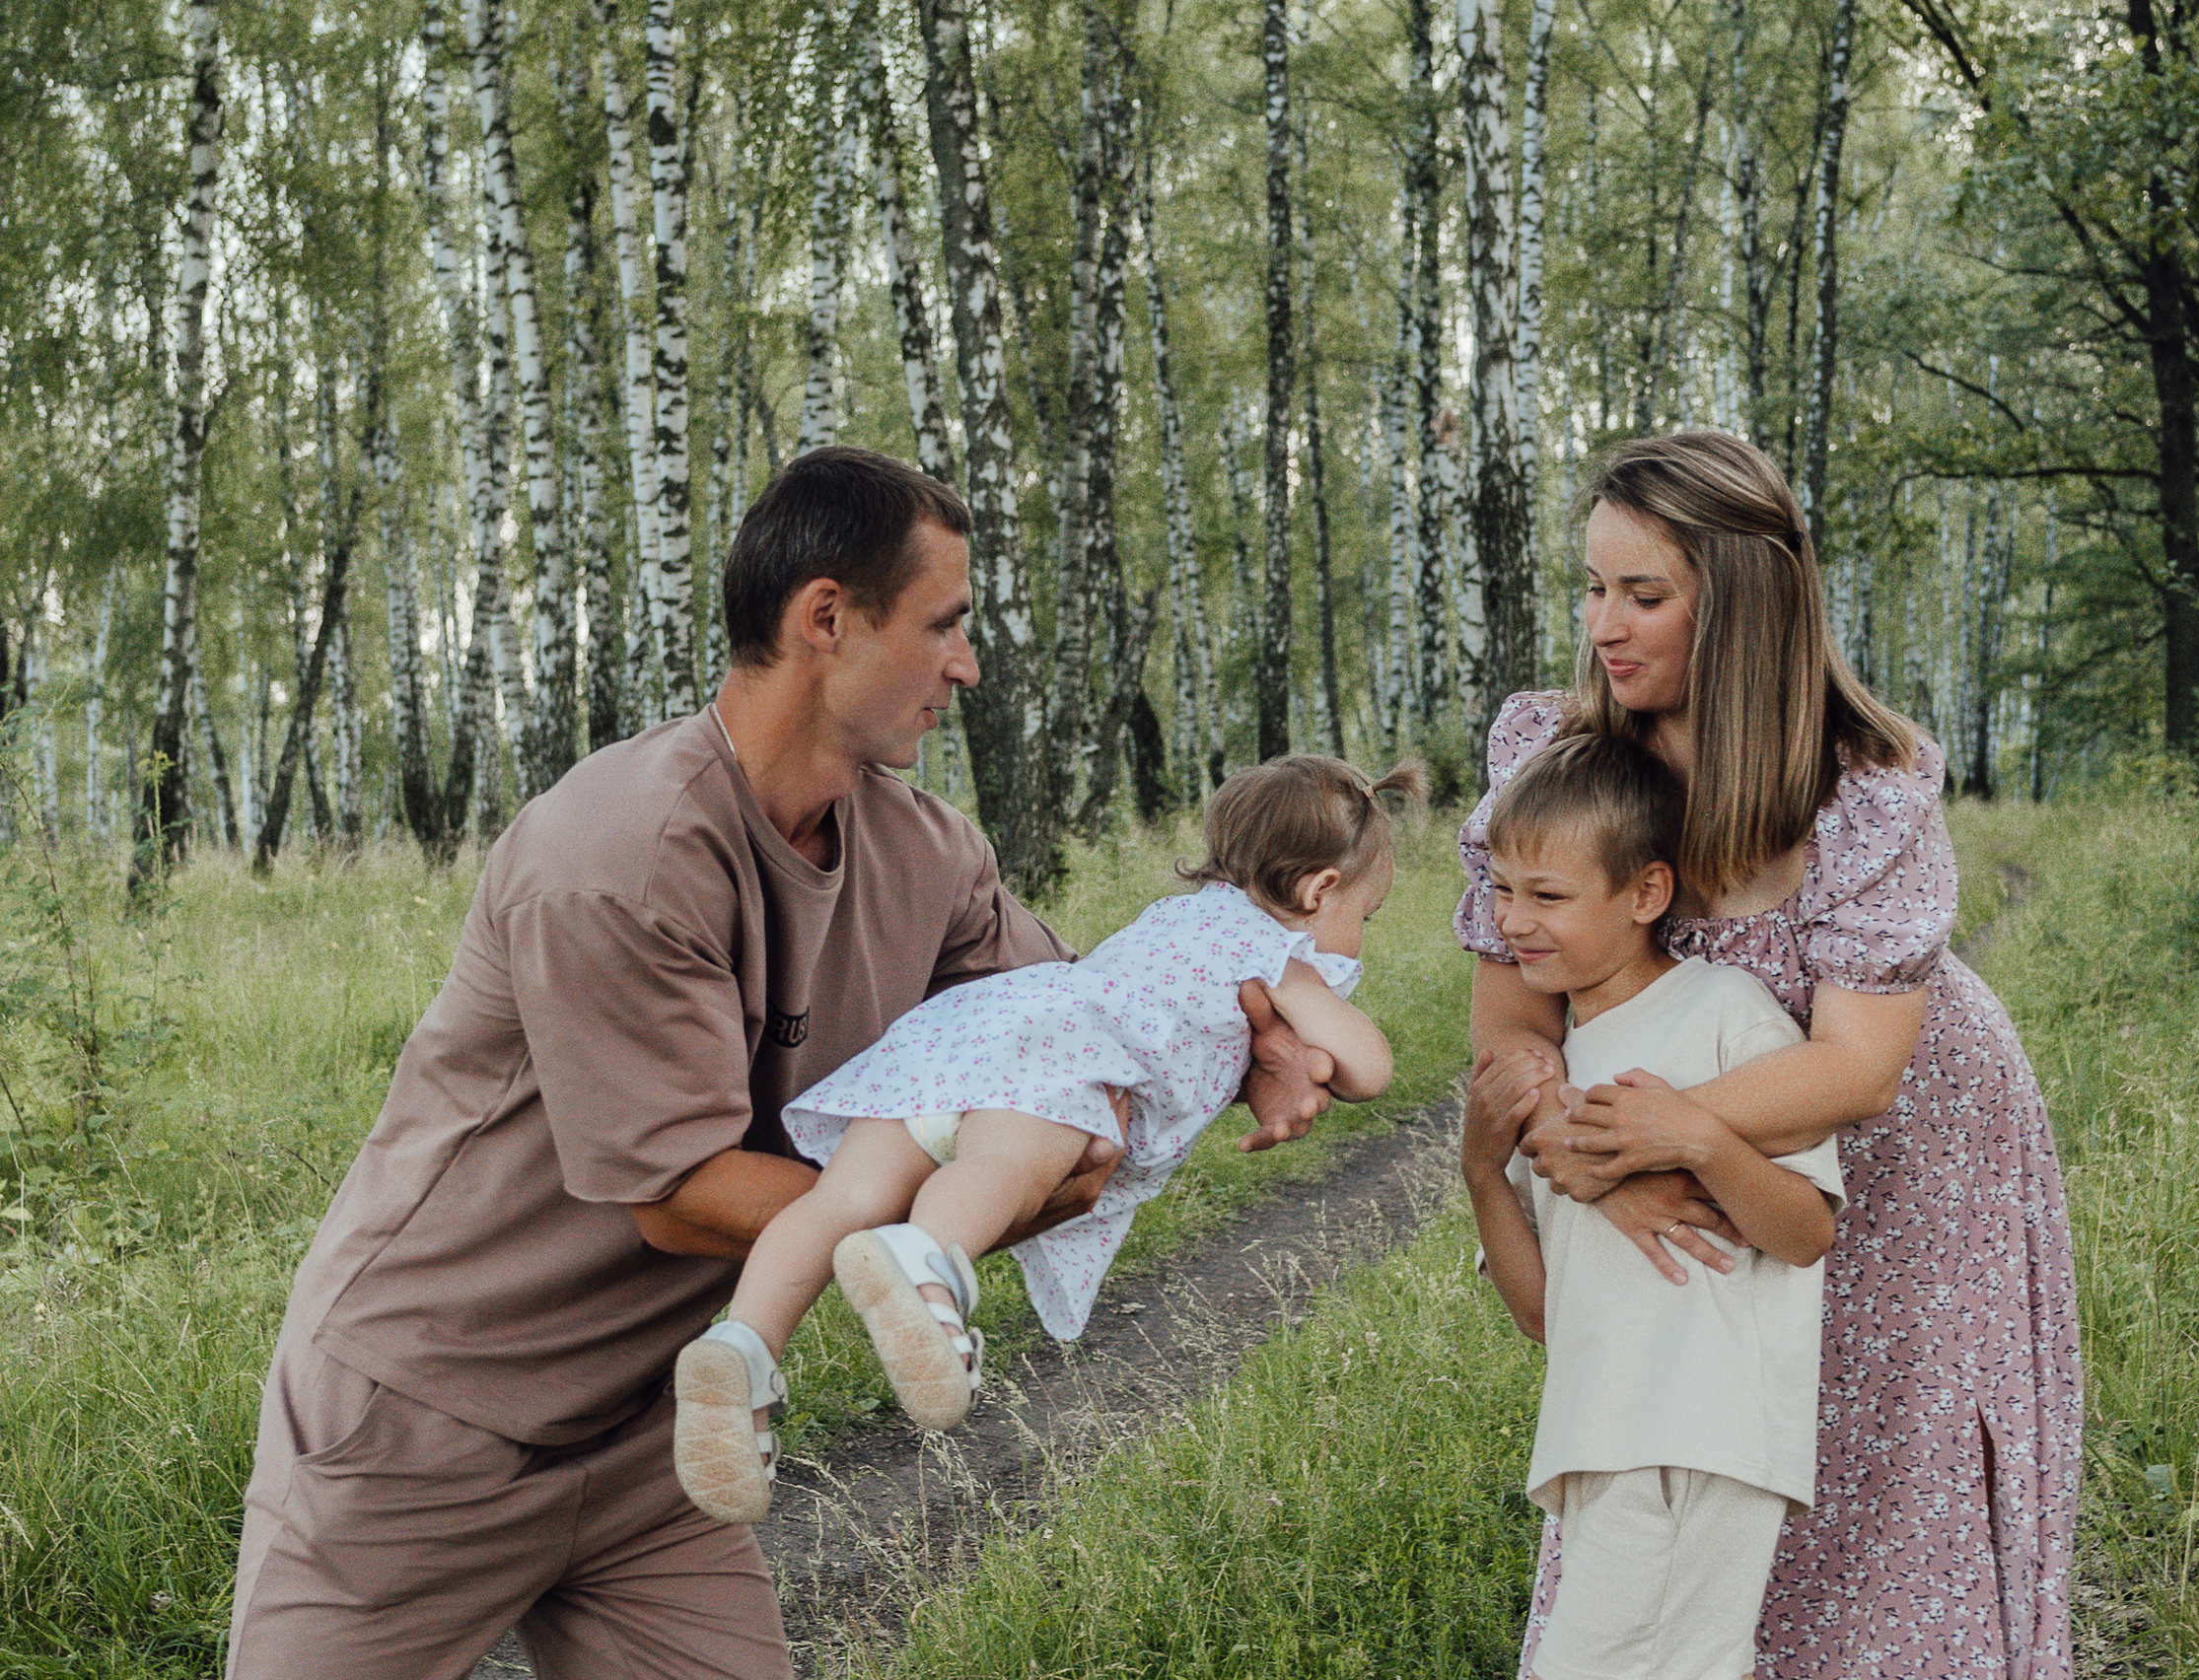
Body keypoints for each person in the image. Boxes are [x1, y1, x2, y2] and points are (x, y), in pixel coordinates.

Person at [223, 446, 1332, 1680]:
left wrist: (1262, 1040)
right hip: (425, 1419)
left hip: (658, 1420)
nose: (966, 664)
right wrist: (954, 1220)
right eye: (945, 625)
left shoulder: (930, 852)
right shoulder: (621, 851)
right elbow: (680, 1198)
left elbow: (1075, 1020)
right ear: (825, 619)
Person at [1458, 431, 2080, 1679]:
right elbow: (1514, 1037)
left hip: (1906, 1167)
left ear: (1740, 600)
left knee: (1884, 1476)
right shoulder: (1556, 760)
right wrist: (1596, 1163)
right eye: (1591, 588)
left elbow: (1855, 1069)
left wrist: (1652, 1135)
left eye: (1644, 595)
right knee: (1675, 1452)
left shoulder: (1862, 787)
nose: (1604, 628)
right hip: (1666, 1133)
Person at [674, 754, 1413, 1521]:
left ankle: (741, 1351)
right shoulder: (1277, 956)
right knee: (1002, 1164)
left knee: (841, 1200)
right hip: (1063, 1064)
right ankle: (924, 1265)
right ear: (1320, 890)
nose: (1360, 936)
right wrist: (1314, 1005)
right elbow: (1370, 1068)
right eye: (1368, 915)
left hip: (966, 1032)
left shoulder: (1177, 916)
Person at [1463, 731, 1840, 1680]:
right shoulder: (1548, 1080)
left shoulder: (1726, 1014)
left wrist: (1701, 1141)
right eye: (1502, 890)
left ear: (1646, 895)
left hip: (1699, 1428)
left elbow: (1807, 1231)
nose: (1513, 920)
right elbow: (1542, 1315)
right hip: (1602, 1429)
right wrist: (1480, 1170)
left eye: (1547, 896)